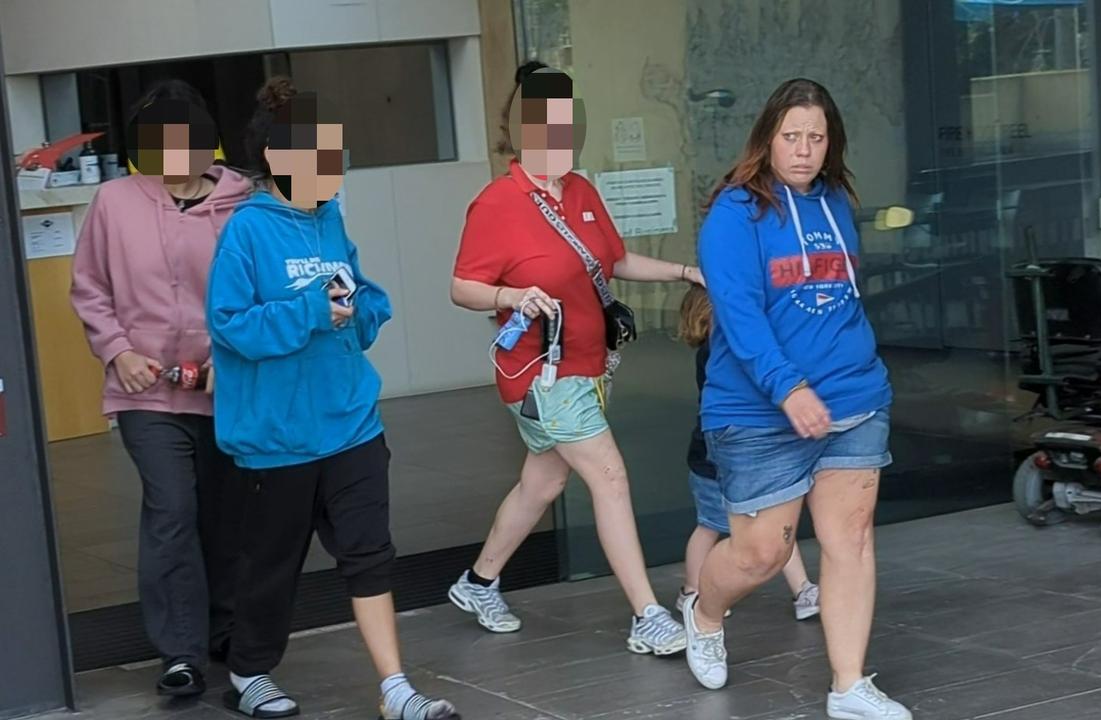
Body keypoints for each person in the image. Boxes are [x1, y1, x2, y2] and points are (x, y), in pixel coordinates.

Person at [206, 77, 456, 720]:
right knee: (272, 564)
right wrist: (314, 311)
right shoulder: (246, 233)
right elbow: (231, 327)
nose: (333, 166)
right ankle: (250, 671)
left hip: (351, 422)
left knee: (370, 553)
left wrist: (365, 308)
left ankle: (395, 686)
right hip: (278, 437)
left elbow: (359, 295)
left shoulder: (330, 221)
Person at [449, 61, 701, 655]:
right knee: (609, 476)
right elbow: (462, 287)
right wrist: (512, 295)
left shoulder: (581, 191)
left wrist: (687, 272)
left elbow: (612, 261)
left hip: (588, 370)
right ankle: (646, 615)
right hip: (541, 374)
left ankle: (478, 582)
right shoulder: (497, 203)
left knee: (542, 483)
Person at [682, 78, 910, 720]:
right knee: (763, 552)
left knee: (851, 538)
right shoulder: (735, 213)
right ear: (767, 138)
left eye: (816, 137)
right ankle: (704, 609)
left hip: (853, 398)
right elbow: (742, 316)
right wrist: (790, 388)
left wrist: (848, 373)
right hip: (757, 410)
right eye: (792, 137)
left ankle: (848, 685)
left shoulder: (836, 201)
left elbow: (837, 300)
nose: (804, 150)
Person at [70, 79, 252, 698]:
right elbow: (89, 286)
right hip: (146, 392)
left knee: (226, 517)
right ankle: (181, 651)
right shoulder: (114, 201)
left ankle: (226, 629)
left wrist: (237, 358)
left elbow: (257, 290)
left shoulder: (242, 202)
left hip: (226, 389)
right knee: (172, 509)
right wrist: (118, 351)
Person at [675, 286, 820, 622]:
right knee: (710, 526)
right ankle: (693, 591)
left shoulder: (720, 350)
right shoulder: (717, 354)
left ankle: (803, 589)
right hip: (714, 459)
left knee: (774, 522)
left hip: (738, 454)